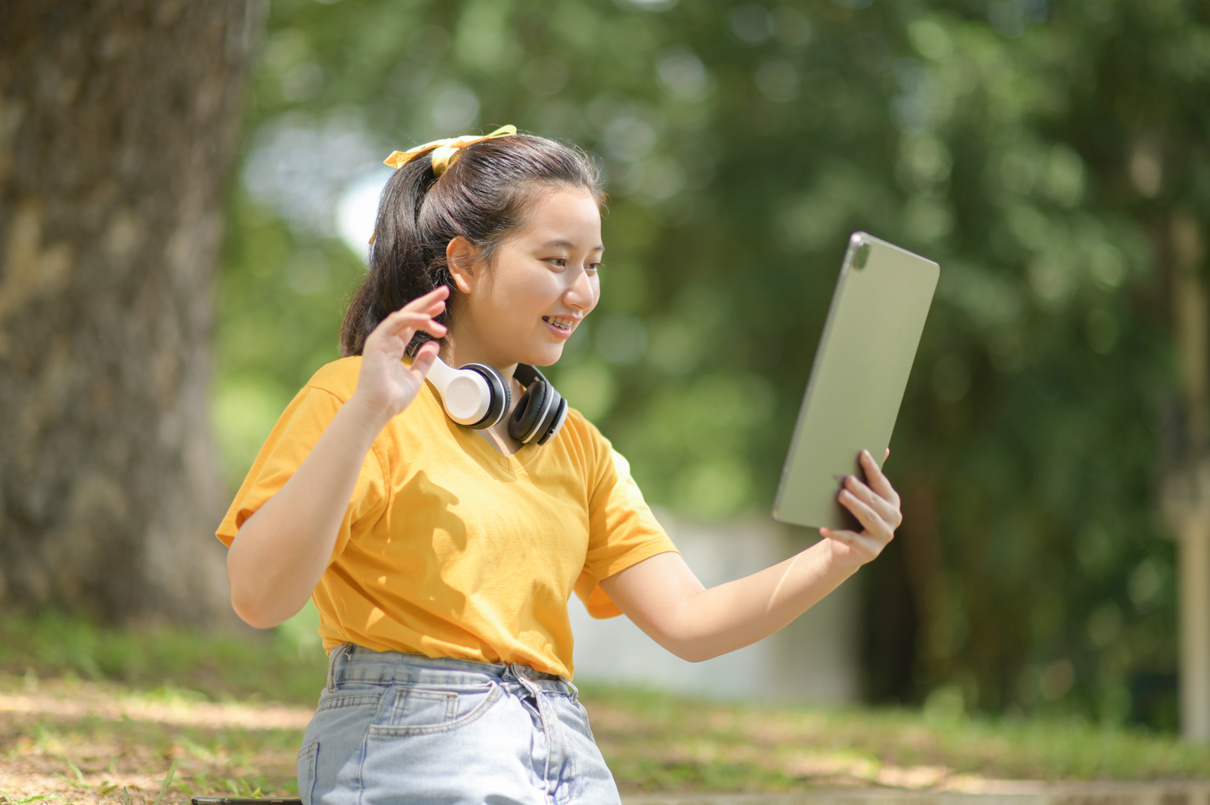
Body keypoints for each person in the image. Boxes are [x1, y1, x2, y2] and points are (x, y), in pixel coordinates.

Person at [217, 125, 902, 805]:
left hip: (563, 747)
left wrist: (840, 553)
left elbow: (691, 623)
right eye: (556, 261)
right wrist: (365, 415)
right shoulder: (353, 396)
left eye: (593, 265)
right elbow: (259, 597)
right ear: (464, 261)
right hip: (414, 740)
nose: (582, 292)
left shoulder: (576, 446)